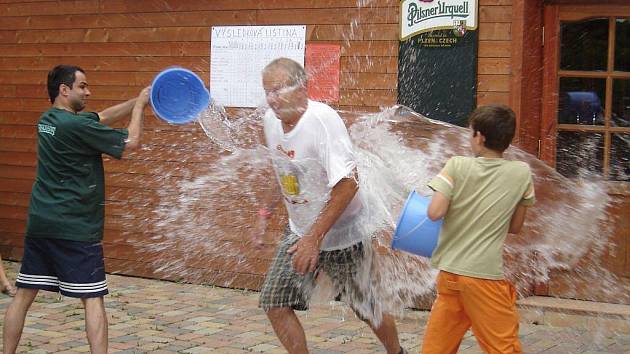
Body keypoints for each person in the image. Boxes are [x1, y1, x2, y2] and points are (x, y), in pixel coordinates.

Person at [253, 57, 406, 354]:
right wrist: (264, 213)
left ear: (303, 88)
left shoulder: (322, 121)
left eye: (279, 90)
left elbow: (349, 182)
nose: (272, 99)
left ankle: (397, 352)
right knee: (275, 302)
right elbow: (282, 170)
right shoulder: (270, 122)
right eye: (267, 91)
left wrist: (314, 237)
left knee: (366, 308)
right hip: (301, 231)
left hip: (344, 233)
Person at [3, 65, 150, 354]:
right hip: (76, 227)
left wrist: (138, 98)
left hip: (41, 224)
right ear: (64, 90)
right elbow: (131, 141)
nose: (88, 91)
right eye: (82, 86)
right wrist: (141, 109)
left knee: (23, 296)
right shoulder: (77, 126)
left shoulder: (48, 120)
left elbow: (102, 117)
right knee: (93, 298)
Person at [421, 105, 536, 354]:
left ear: (480, 137)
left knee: (436, 349)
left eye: (470, 132)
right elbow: (515, 227)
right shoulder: (521, 173)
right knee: (503, 347)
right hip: (484, 276)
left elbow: (434, 212)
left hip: (450, 274)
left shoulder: (457, 166)